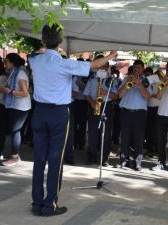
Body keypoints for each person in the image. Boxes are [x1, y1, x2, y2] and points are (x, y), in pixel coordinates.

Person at [28, 24, 117, 217]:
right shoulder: (64, 63)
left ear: (43, 40)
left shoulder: (35, 60)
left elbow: (35, 53)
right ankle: (49, 205)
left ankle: (36, 202)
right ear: (60, 42)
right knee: (55, 159)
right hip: (59, 113)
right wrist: (110, 56)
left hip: (40, 112)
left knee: (39, 159)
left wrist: (45, 46)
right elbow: (94, 65)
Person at [84, 56, 118, 166]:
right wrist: (91, 102)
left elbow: (116, 96)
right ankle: (91, 157)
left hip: (106, 106)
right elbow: (86, 94)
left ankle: (104, 159)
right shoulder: (92, 78)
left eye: (105, 66)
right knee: (92, 134)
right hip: (94, 105)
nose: (102, 68)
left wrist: (105, 92)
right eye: (101, 66)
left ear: (107, 67)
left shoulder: (111, 79)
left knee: (106, 134)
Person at [118, 60, 151, 171]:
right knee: (125, 138)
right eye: (135, 67)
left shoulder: (146, 81)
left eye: (138, 68)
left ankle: (137, 162)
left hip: (139, 114)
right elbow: (120, 94)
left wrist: (139, 84)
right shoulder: (127, 79)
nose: (136, 70)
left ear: (142, 69)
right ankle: (124, 160)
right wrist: (127, 84)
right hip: (126, 112)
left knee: (138, 138)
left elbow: (147, 97)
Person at [0, 53, 31, 166]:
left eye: (6, 61)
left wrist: (9, 92)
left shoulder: (20, 73)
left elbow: (25, 93)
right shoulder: (14, 72)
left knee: (15, 131)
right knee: (14, 131)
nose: (4, 64)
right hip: (14, 105)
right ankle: (15, 154)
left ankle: (15, 156)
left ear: (12, 62)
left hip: (20, 107)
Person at [73, 58, 89, 150]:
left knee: (83, 124)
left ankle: (81, 143)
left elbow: (87, 87)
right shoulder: (75, 74)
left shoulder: (88, 74)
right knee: (74, 124)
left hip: (84, 102)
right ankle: (74, 143)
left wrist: (81, 86)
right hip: (75, 101)